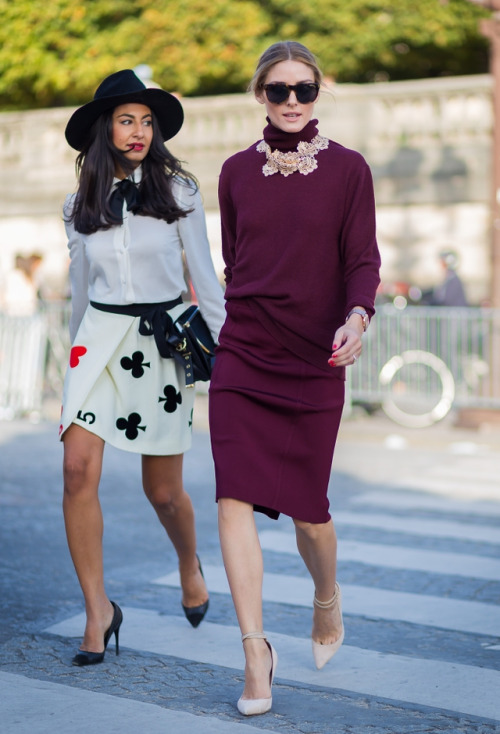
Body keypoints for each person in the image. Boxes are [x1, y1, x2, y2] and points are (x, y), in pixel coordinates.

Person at [208, 41, 381, 716]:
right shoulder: (231, 173)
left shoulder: (349, 171)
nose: (289, 102)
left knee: (311, 515)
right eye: (276, 90)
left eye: (302, 90)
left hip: (316, 359)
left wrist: (357, 318)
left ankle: (326, 596)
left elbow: (362, 259)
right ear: (259, 94)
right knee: (233, 500)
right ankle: (255, 653)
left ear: (318, 92)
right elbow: (237, 259)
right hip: (245, 352)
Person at [60, 69, 226, 666]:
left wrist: (228, 353)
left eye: (146, 120)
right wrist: (70, 366)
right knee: (77, 470)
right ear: (106, 128)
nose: (138, 131)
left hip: (159, 344)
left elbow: (206, 280)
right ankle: (97, 610)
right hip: (98, 341)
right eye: (127, 120)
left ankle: (188, 562)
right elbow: (80, 293)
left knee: (163, 492)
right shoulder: (78, 203)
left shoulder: (180, 192)